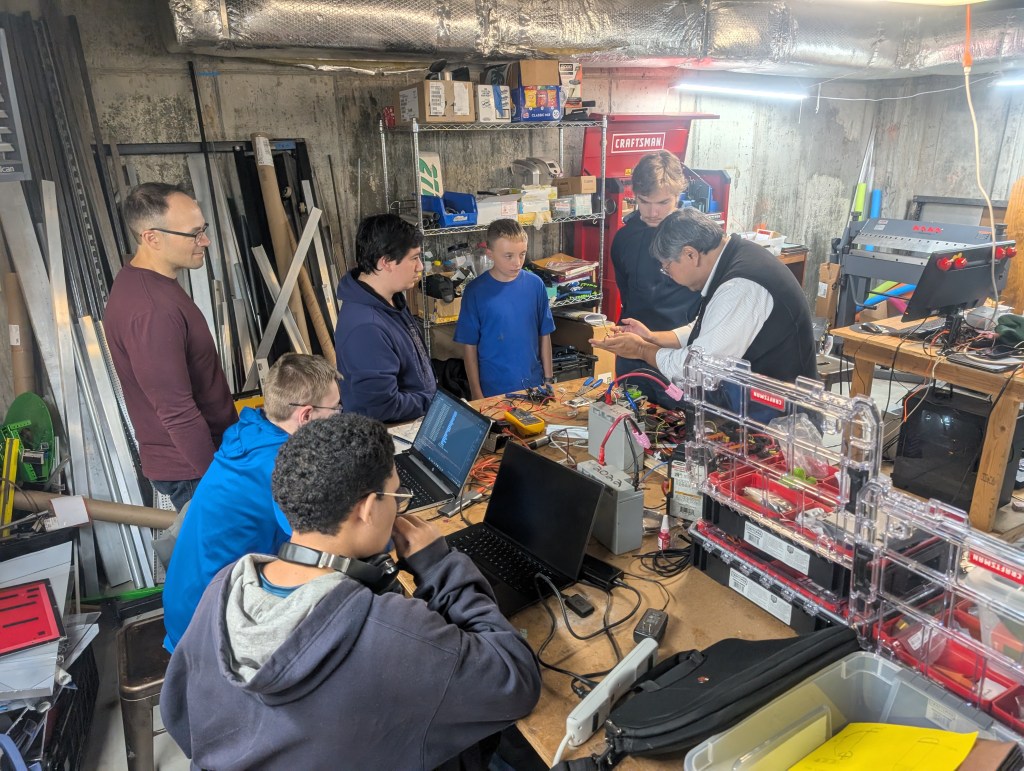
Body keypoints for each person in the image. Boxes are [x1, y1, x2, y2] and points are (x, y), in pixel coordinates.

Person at [161, 413, 542, 770]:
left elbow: (179, 718)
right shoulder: (389, 631)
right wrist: (439, 565)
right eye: (396, 497)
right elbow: (516, 680)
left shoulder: (224, 587)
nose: (399, 508)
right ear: (367, 508)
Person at [160, 353, 340, 653]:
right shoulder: (281, 466)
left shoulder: (250, 433)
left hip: (185, 608)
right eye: (336, 409)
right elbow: (323, 544)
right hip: (210, 632)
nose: (340, 417)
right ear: (306, 415)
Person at [104, 183, 237, 511]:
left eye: (203, 229)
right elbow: (177, 412)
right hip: (195, 471)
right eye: (194, 234)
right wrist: (218, 482)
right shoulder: (151, 311)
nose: (205, 241)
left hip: (202, 463)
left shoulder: (146, 282)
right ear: (152, 238)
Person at [593, 208, 817, 387]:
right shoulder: (736, 258)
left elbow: (697, 371)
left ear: (690, 254)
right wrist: (653, 337)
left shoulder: (741, 286)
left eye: (667, 267)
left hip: (780, 420)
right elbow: (713, 327)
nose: (668, 275)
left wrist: (642, 350)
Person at [611, 151, 701, 404]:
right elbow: (626, 293)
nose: (652, 212)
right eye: (644, 201)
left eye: (663, 203)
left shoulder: (699, 237)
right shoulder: (624, 238)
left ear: (678, 195)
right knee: (630, 417)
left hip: (679, 352)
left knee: (680, 422)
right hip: (633, 352)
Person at [334, 214, 437, 422]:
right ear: (386, 262)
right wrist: (433, 403)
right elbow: (381, 407)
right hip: (392, 432)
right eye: (414, 258)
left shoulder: (390, 299)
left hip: (415, 420)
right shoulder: (365, 328)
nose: (420, 267)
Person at [454, 219, 555, 399]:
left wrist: (548, 380)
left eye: (522, 254)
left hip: (534, 386)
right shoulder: (475, 291)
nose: (517, 262)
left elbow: (544, 334)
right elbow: (469, 346)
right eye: (508, 256)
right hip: (493, 391)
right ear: (490, 254)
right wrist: (476, 393)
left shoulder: (535, 285)